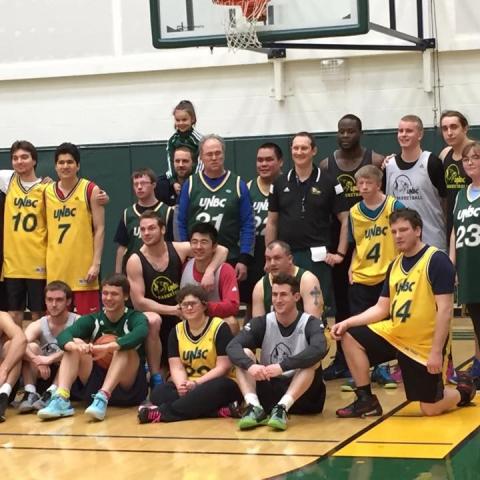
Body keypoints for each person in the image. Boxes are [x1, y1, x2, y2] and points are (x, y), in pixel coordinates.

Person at [332, 209, 475, 418]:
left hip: (423, 344)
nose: (398, 235)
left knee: (430, 409)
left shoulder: (436, 260)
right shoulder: (395, 264)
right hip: (395, 334)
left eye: (403, 230)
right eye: (394, 231)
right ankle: (366, 400)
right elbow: (381, 308)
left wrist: (436, 351)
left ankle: (462, 392)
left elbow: (445, 311)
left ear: (418, 230)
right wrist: (347, 323)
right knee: (349, 336)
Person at [126, 210, 228, 385]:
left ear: (163, 229)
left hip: (179, 315)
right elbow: (139, 302)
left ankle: (213, 369)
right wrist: (173, 310)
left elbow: (222, 250)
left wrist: (210, 271)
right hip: (154, 315)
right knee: (154, 320)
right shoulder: (135, 260)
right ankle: (155, 376)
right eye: (143, 230)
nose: (146, 233)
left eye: (151, 228)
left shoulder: (178, 249)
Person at [320, 115, 385, 380]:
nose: (345, 135)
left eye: (350, 131)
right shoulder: (326, 164)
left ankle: (379, 362)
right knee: (342, 303)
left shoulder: (378, 160)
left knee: (374, 305)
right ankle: (342, 358)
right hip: (339, 243)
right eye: (341, 131)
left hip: (371, 242)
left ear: (360, 132)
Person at [37, 274, 149, 421]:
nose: (108, 298)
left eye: (114, 294)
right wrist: (77, 347)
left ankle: (103, 396)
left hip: (127, 386)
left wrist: (108, 347)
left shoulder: (136, 317)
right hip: (96, 380)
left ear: (126, 296)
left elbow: (141, 333)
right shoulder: (93, 319)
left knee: (123, 347)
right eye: (105, 293)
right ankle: (61, 398)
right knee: (75, 342)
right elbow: (64, 335)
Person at [227, 274, 328, 431]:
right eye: (274, 295)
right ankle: (254, 407)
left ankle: (282, 408)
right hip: (270, 389)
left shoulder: (310, 323)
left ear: (296, 297)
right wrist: (251, 366)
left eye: (283, 295)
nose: (278, 300)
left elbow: (319, 349)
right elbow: (232, 347)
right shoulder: (262, 322)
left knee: (312, 361)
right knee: (244, 354)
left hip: (303, 396)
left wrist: (282, 366)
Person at [266, 131, 349, 319]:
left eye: (304, 148)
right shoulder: (279, 183)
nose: (299, 152)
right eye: (295, 148)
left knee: (320, 307)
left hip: (318, 257)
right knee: (286, 304)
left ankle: (324, 346)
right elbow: (271, 221)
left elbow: (345, 219)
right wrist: (269, 256)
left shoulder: (329, 182)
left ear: (313, 151)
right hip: (286, 256)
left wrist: (340, 254)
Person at [138, 285, 242, 424]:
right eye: (184, 305)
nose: (188, 308)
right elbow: (176, 367)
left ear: (204, 306)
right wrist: (182, 385)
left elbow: (223, 367)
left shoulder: (219, 327)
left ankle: (162, 413)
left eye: (193, 304)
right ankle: (216, 412)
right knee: (159, 392)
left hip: (218, 383)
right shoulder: (177, 331)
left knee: (214, 389)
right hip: (190, 384)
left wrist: (196, 383)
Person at [344, 165, 404, 390]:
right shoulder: (354, 212)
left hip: (387, 273)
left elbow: (405, 235)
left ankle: (383, 368)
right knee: (360, 325)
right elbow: (357, 244)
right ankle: (362, 372)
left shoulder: (393, 206)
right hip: (362, 275)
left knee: (384, 324)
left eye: (368, 182)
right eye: (360, 183)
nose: (364, 187)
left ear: (378, 184)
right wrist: (351, 266)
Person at [177, 134, 255, 282]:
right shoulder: (191, 184)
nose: (214, 157)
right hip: (197, 259)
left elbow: (248, 225)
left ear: (224, 154)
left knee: (228, 303)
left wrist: (243, 259)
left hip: (230, 257)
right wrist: (186, 252)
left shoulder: (238, 184)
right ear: (201, 157)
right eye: (209, 154)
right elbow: (180, 222)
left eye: (218, 153)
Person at [45, 142, 106, 314]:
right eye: (61, 162)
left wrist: (96, 263)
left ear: (78, 165)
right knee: (56, 326)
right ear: (55, 166)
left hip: (84, 270)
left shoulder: (90, 190)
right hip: (56, 269)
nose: (65, 166)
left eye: (70, 162)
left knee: (86, 326)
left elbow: (100, 228)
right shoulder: (46, 191)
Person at [0, 140, 47, 326]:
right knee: (14, 315)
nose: (19, 161)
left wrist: (101, 196)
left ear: (34, 160)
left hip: (37, 259)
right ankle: (17, 354)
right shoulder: (8, 180)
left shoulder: (46, 188)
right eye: (15, 158)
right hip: (12, 262)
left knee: (38, 315)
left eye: (24, 157)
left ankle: (41, 352)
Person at [385, 115, 447, 250]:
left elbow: (445, 201)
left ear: (420, 134)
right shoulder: (389, 165)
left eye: (409, 131)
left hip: (432, 241)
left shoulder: (432, 162)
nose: (403, 135)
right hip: (399, 245)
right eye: (400, 131)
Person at [19, 281, 79, 413]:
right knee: (30, 346)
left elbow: (82, 348)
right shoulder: (39, 324)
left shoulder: (77, 321)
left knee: (71, 349)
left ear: (68, 301)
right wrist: (37, 360)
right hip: (44, 374)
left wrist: (50, 359)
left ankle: (52, 394)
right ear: (45, 301)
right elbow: (19, 344)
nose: (54, 304)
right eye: (49, 299)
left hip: (69, 379)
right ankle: (30, 392)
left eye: (59, 300)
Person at [241, 142, 283, 317]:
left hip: (282, 250)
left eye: (268, 160)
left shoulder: (287, 186)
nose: (263, 164)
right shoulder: (247, 188)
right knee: (254, 300)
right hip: (255, 251)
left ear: (280, 162)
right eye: (259, 160)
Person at [450, 141, 480, 387]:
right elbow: (454, 232)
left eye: (476, 158)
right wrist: (453, 263)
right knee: (476, 319)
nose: (470, 162)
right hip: (468, 265)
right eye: (466, 159)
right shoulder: (461, 194)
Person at [180, 222, 240, 333]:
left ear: (214, 247)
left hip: (214, 321)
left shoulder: (225, 270)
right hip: (189, 320)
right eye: (194, 242)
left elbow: (233, 305)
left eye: (204, 242)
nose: (198, 247)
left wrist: (202, 307)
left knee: (231, 322)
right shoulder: (183, 266)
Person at [114, 168, 174, 273]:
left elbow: (174, 245)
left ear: (154, 185)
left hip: (161, 269)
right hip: (134, 270)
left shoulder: (167, 212)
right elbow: (122, 247)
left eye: (143, 183)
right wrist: (118, 275)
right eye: (136, 184)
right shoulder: (127, 214)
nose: (139, 187)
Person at [252, 240, 323, 320]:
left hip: (307, 331)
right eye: (268, 259)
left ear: (290, 259)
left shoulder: (308, 280)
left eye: (277, 258)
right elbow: (257, 326)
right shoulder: (260, 286)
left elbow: (314, 321)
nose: (272, 263)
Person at [439, 110, 473, 241]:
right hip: (453, 224)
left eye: (454, 127)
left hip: (474, 221)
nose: (449, 132)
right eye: (445, 128)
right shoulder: (444, 154)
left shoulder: (477, 152)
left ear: (465, 128)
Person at [165, 100, 202, 182]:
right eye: (178, 120)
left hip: (196, 179)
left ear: (192, 119)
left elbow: (201, 164)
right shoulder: (172, 140)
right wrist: (173, 182)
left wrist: (193, 182)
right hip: (177, 179)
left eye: (184, 119)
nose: (181, 123)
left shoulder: (199, 140)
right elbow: (170, 162)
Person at [0, 311, 27, 422]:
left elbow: (21, 339)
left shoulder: (2, 316)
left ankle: (3, 396)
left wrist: (4, 369)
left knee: (12, 345)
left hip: (3, 380)